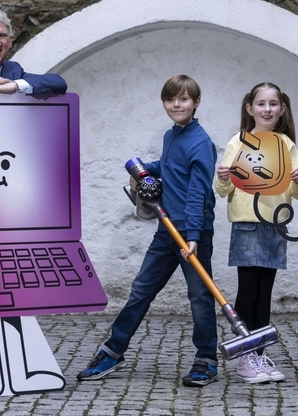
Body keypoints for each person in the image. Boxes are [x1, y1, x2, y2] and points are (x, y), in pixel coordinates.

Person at [77, 75, 219, 387]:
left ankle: (206, 360)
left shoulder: (201, 143)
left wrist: (194, 236)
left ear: (196, 102)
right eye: (171, 100)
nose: (176, 105)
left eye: (183, 99)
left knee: (199, 295)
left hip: (192, 232)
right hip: (166, 229)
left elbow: (197, 192)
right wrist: (145, 169)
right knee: (141, 290)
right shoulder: (173, 136)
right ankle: (113, 351)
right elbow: (170, 167)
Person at [215, 82, 298, 384]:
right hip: (246, 223)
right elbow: (223, 190)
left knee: (264, 293)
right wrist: (224, 178)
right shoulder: (238, 142)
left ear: (282, 109)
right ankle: (245, 356)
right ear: (250, 108)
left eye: (273, 104)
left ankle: (257, 353)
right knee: (249, 290)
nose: (267, 109)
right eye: (262, 103)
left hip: (275, 225)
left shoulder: (285, 144)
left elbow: (296, 194)